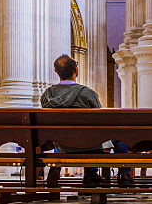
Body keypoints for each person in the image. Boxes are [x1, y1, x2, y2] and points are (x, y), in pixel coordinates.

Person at [39, 55, 133, 188]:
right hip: (89, 145)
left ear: (56, 71)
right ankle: (122, 175)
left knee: (68, 137)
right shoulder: (87, 93)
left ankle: (62, 169)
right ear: (76, 71)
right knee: (119, 139)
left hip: (60, 145)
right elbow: (101, 121)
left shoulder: (47, 94)